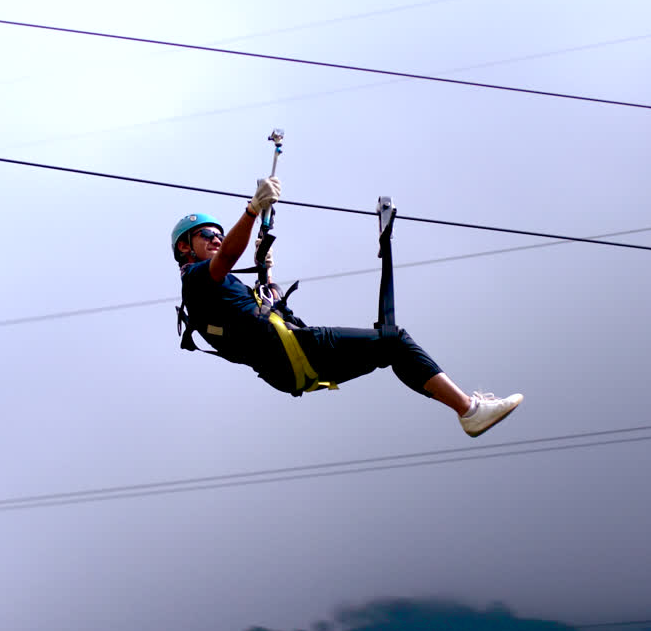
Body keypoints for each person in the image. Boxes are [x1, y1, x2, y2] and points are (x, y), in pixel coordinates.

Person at [172, 177, 523, 438]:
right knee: (394, 340)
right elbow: (230, 256)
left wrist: (267, 270)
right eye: (206, 235)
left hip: (287, 370)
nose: (216, 238)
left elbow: (266, 312)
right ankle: (469, 409)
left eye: (219, 233)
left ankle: (467, 409)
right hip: (299, 350)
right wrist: (251, 210)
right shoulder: (197, 280)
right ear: (186, 248)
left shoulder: (215, 293)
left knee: (391, 348)